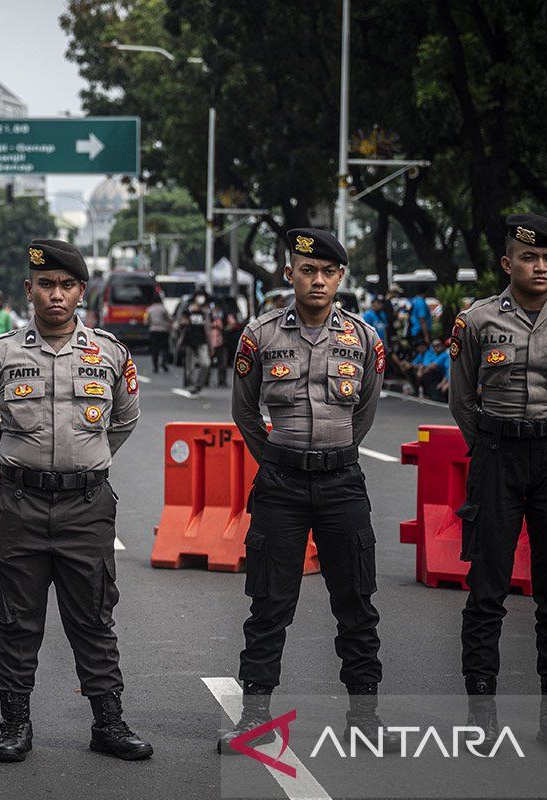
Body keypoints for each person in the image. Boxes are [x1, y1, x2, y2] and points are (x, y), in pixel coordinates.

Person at [0, 238, 152, 764]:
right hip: (21, 504)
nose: (55, 294)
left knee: (93, 618)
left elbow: (124, 419)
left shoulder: (111, 354)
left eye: (66, 285)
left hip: (87, 507)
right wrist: (21, 461)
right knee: (16, 620)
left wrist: (84, 461)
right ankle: (14, 724)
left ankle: (108, 723)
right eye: (45, 284)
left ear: (81, 292)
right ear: (29, 289)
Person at [222, 228, 398, 754]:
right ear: (289, 274)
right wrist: (281, 457)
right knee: (269, 603)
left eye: (327, 272)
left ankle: (364, 718)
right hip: (281, 484)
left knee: (356, 601)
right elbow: (244, 410)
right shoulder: (261, 335)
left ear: (340, 277)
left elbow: (364, 409)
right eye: (307, 270)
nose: (317, 280)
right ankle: (254, 718)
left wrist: (333, 454)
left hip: (343, 481)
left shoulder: (365, 339)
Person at [448, 214, 547, 754]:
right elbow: (462, 399)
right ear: (506, 262)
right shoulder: (476, 320)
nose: (540, 268)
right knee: (487, 588)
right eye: (530, 258)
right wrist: (492, 441)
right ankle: (481, 711)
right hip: (496, 454)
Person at [181, 291, 211, 394]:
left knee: (206, 363)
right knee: (190, 366)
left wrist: (210, 344)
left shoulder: (205, 311)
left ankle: (199, 383)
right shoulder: (187, 310)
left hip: (202, 341)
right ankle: (192, 384)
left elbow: (208, 328)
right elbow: (180, 323)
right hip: (190, 341)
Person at [145, 297, 172, 373]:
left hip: (153, 330)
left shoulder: (149, 309)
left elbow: (146, 321)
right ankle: (163, 362)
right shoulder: (163, 309)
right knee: (165, 348)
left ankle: (155, 366)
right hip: (163, 330)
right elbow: (169, 318)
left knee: (154, 349)